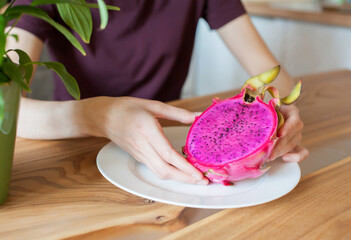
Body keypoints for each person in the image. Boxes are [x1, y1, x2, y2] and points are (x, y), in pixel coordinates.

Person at [8, 0, 309, 185]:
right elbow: (5, 108)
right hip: (69, 157)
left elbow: (276, 81)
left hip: (169, 158)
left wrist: (281, 114)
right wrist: (101, 116)